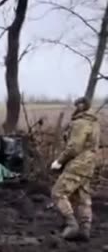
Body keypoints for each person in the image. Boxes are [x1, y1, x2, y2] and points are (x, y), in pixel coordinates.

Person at [50, 96, 101, 241]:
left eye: (79, 104)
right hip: (89, 165)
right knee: (82, 196)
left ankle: (71, 225)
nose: (77, 107)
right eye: (76, 104)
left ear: (83, 106)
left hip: (77, 164)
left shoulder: (80, 123)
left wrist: (59, 161)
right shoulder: (94, 123)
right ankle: (85, 230)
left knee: (58, 193)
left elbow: (74, 147)